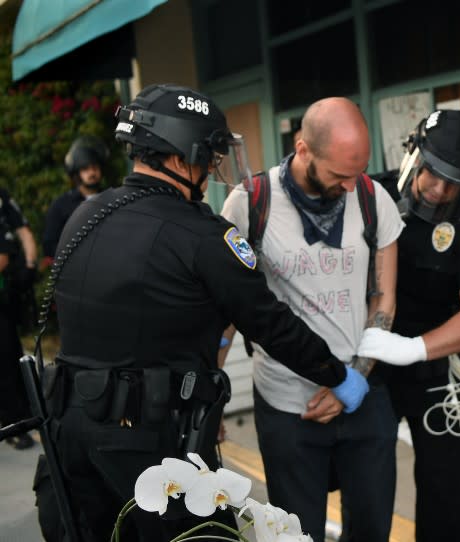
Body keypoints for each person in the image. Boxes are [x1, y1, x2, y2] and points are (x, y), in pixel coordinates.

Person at [42, 84, 369, 541]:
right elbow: (272, 325)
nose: (211, 169)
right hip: (155, 453)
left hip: (69, 444)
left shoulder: (84, 216)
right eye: (207, 157)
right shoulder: (204, 238)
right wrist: (338, 375)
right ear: (180, 159)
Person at [220, 97, 404, 542]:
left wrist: (354, 382)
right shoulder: (250, 204)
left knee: (372, 532)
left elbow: (384, 302)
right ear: (303, 150)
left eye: (356, 173)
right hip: (287, 406)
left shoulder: (371, 197)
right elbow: (226, 311)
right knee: (297, 535)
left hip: (363, 396)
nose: (348, 186)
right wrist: (212, 391)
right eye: (339, 175)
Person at [356, 109, 460, 541]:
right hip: (368, 359)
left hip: (435, 361)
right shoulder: (369, 194)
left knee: (443, 484)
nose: (440, 190)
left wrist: (411, 348)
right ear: (413, 156)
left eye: (454, 182)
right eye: (433, 174)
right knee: (366, 478)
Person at [0, 187, 38, 450]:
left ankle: (14, 422)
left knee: (8, 356)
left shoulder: (3, 197)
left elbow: (23, 232)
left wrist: (30, 266)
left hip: (4, 294)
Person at [41, 135, 109, 266]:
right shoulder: (61, 205)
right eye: (85, 169)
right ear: (76, 173)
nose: (92, 173)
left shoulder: (112, 199)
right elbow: (49, 243)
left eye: (95, 167)